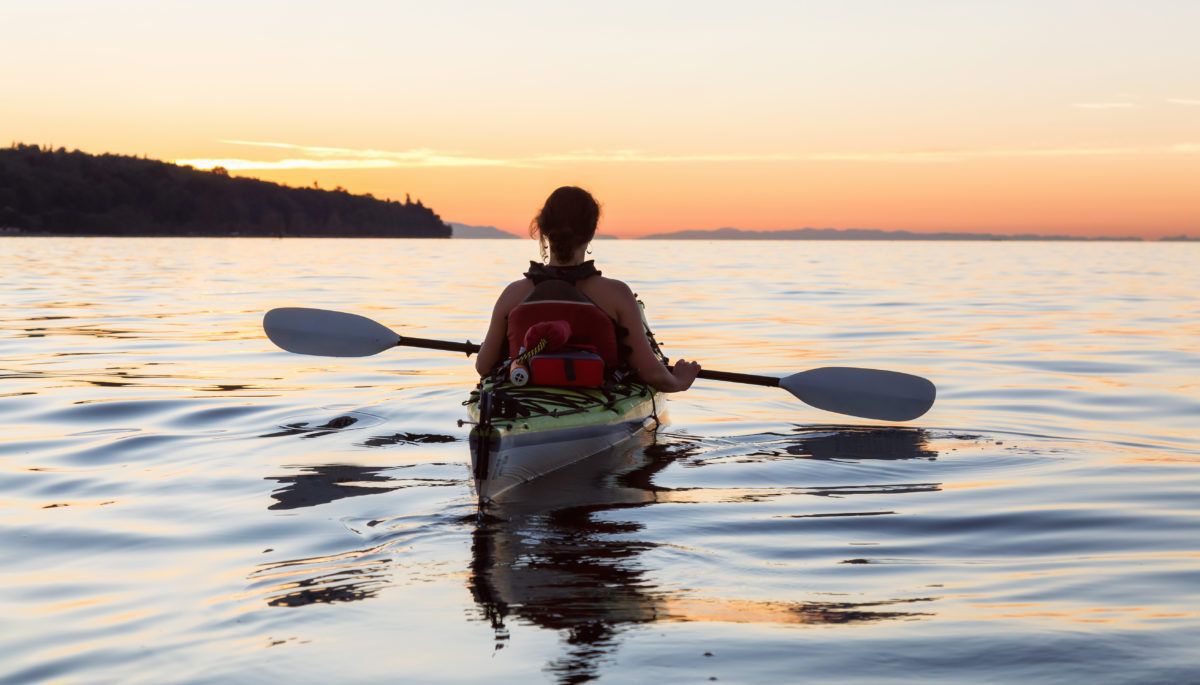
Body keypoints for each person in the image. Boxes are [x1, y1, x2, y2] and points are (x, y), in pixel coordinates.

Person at [475, 186, 701, 393]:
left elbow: (484, 365)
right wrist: (680, 381)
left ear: (543, 230)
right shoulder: (616, 295)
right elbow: (653, 375)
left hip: (521, 399)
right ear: (592, 231)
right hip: (597, 403)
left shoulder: (513, 294)